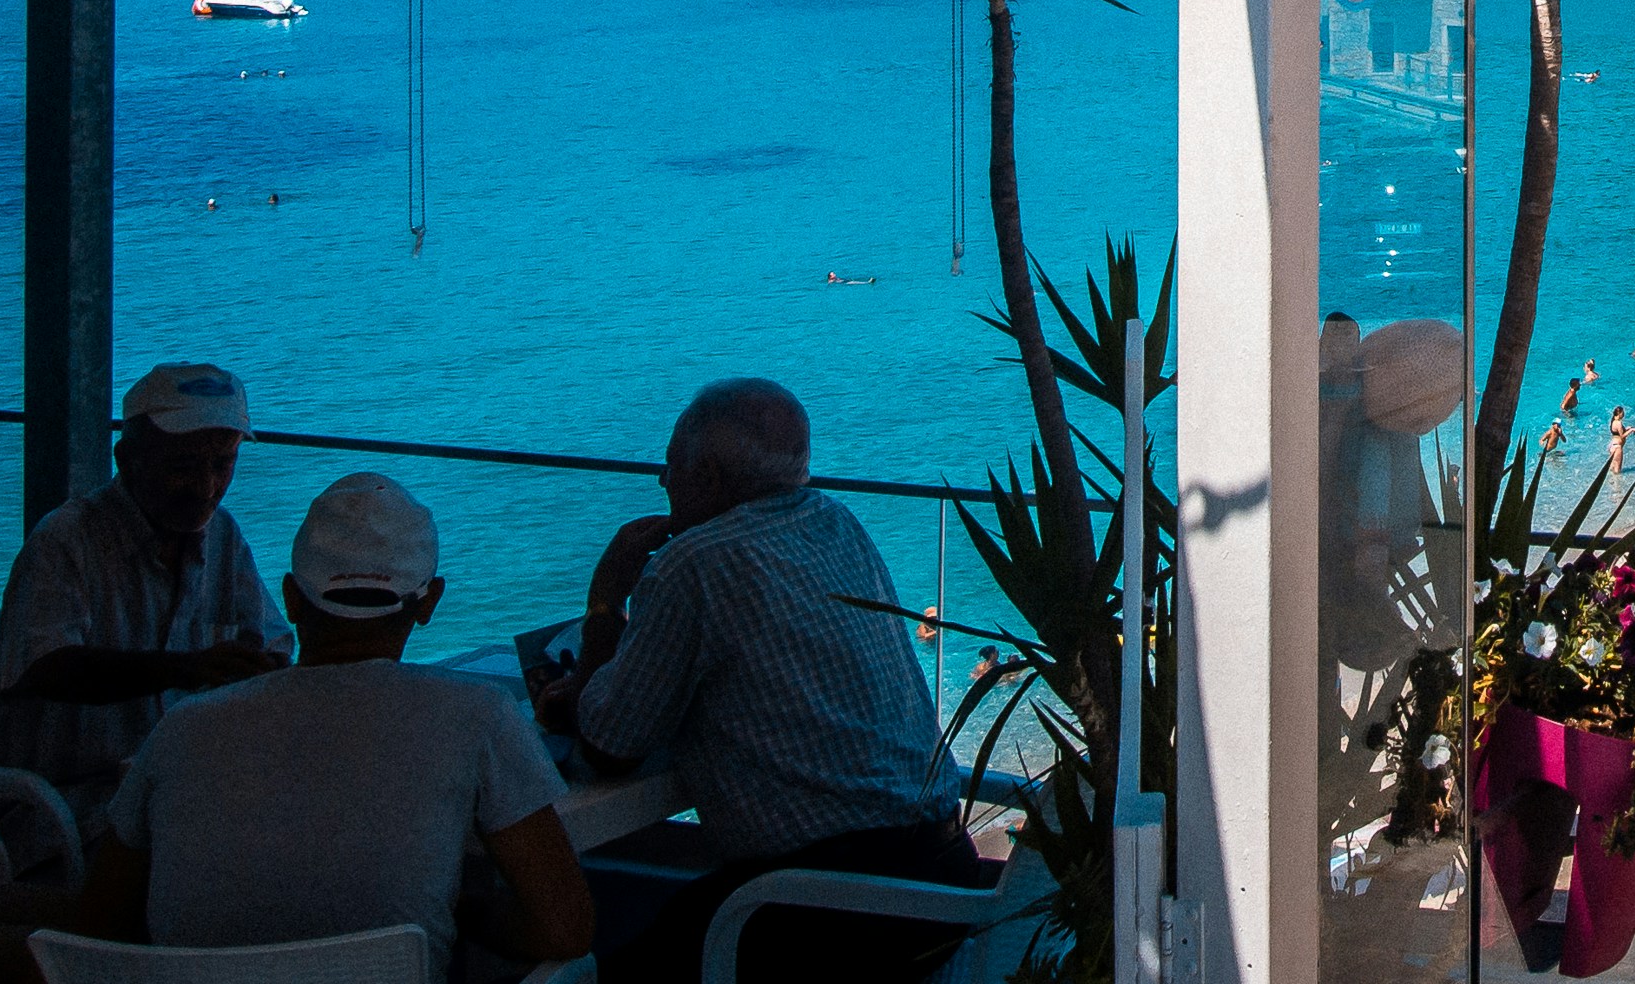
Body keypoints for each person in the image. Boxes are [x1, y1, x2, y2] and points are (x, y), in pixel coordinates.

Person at [555, 380, 994, 984]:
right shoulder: (837, 521)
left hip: (823, 910)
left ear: (708, 476)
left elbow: (609, 747)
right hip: (942, 886)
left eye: (670, 464)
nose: (662, 480)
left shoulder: (694, 564)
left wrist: (605, 602)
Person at [75, 474, 592, 971]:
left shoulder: (182, 729)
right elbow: (564, 928)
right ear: (429, 602)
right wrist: (463, 910)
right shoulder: (479, 716)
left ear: (291, 599)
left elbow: (98, 925)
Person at [0, 362, 289, 831]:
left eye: (221, 464)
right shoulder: (66, 541)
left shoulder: (221, 535)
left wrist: (263, 667)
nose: (206, 488)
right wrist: (185, 669)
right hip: (60, 809)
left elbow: (268, 640)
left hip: (170, 790)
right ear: (127, 460)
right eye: (182, 466)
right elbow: (46, 667)